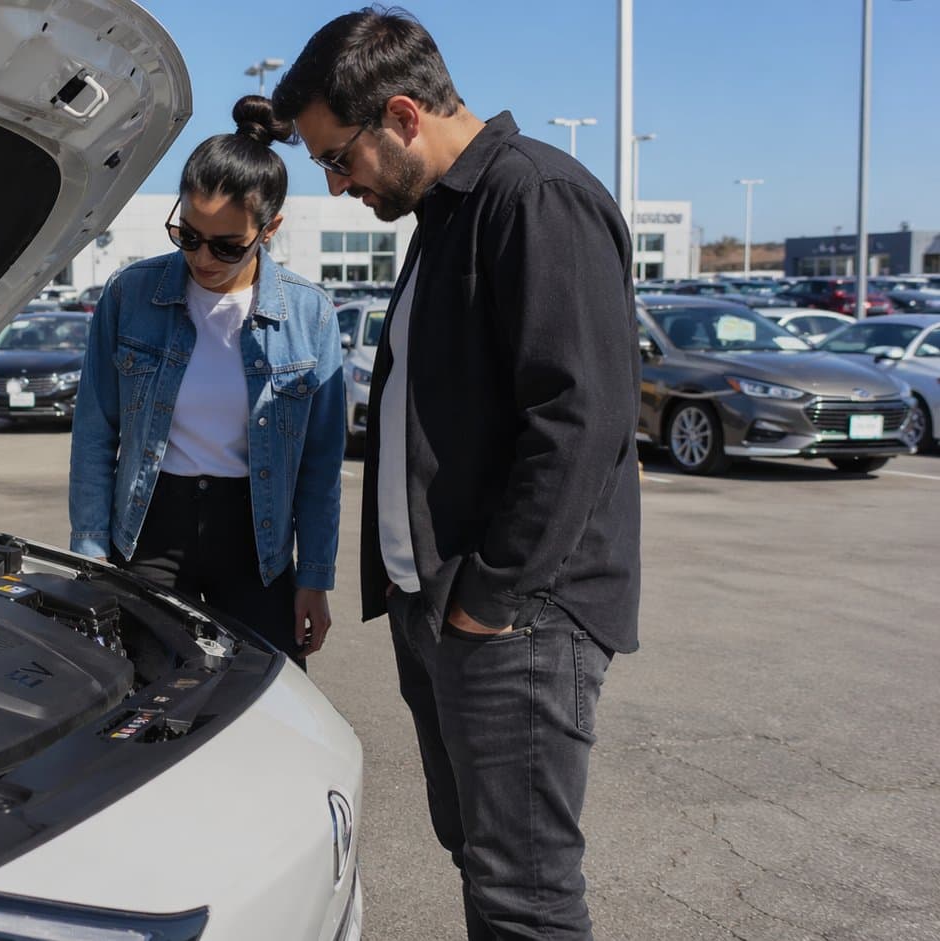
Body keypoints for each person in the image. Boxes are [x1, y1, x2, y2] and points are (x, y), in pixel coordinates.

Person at [272, 7, 640, 939]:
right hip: (442, 609)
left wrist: (491, 596)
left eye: (337, 158)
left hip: (515, 620)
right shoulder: (448, 215)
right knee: (482, 859)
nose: (335, 181)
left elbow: (580, 422)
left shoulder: (536, 198)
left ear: (401, 115)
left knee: (525, 890)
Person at [68, 95, 345, 668]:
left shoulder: (309, 315)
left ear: (270, 229)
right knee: (143, 701)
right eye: (188, 235)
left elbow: (322, 463)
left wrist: (314, 576)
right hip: (149, 526)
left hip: (256, 539)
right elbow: (95, 433)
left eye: (226, 245)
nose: (202, 258)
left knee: (265, 698)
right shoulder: (131, 295)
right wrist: (91, 556)